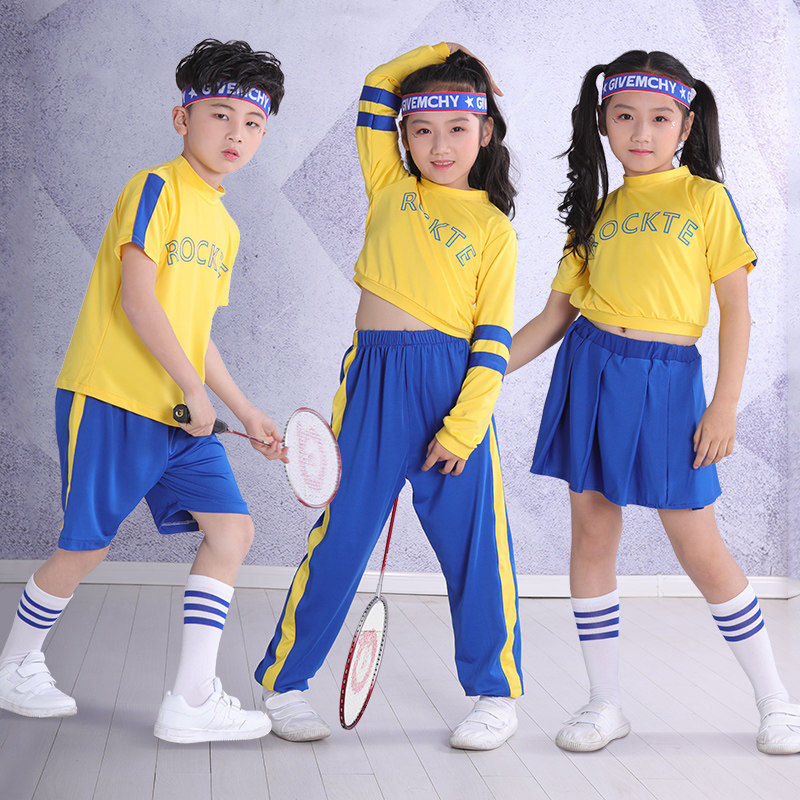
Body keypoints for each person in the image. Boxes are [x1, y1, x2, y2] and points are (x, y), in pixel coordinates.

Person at [508, 50, 800, 755]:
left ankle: (776, 701)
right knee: (591, 536)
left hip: (669, 382)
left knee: (699, 546)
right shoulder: (596, 211)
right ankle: (604, 703)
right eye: (625, 116)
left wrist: (724, 405)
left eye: (660, 118)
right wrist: (479, 372)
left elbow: (737, 311)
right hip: (591, 372)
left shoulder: (706, 199)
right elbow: (554, 317)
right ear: (603, 123)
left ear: (686, 125)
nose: (641, 132)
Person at [0, 39, 287, 744]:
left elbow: (195, 332)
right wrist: (191, 388)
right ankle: (14, 664)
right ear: (182, 118)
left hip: (181, 415)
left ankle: (192, 699)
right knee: (87, 546)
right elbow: (137, 297)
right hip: (112, 399)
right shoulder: (154, 187)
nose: (236, 134)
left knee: (232, 531)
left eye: (253, 123)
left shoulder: (225, 225)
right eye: (221, 115)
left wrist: (245, 410)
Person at [254, 42, 523, 751]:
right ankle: (285, 684)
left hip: (451, 388)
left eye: (458, 128)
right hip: (372, 382)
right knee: (341, 535)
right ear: (403, 137)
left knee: (475, 547)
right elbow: (377, 85)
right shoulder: (390, 187)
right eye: (421, 130)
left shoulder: (493, 228)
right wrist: (450, 54)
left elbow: (493, 339)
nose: (440, 145)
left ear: (485, 132)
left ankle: (494, 695)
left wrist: (465, 426)